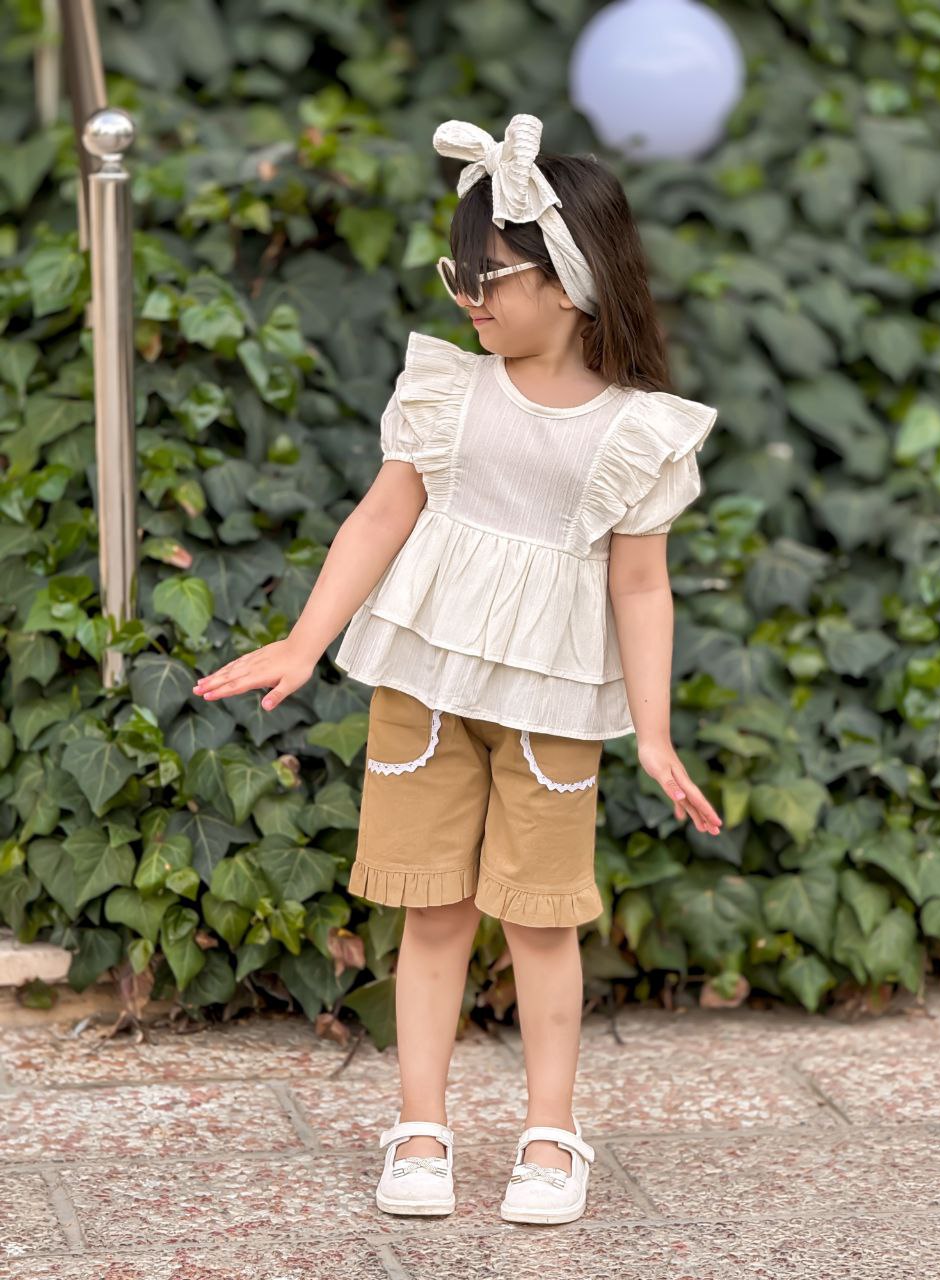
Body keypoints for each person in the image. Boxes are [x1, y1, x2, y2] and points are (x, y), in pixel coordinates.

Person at [192, 111, 724, 1227]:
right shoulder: (449, 389)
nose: (468, 297)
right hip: (424, 688)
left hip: (551, 706)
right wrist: (305, 639)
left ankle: (550, 1133)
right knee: (430, 911)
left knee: (540, 919)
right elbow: (382, 515)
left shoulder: (636, 431)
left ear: (570, 282)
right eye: (459, 275)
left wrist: (655, 732)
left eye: (489, 276)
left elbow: (641, 588)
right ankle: (422, 1126)